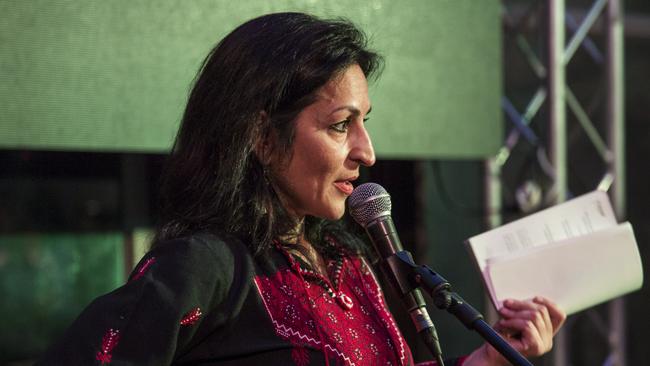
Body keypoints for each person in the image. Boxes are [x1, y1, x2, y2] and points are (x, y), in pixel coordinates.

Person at [37, 12, 565, 365]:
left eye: (365, 122)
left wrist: (489, 357)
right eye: (341, 125)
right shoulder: (206, 266)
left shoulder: (352, 260)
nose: (367, 151)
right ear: (263, 137)